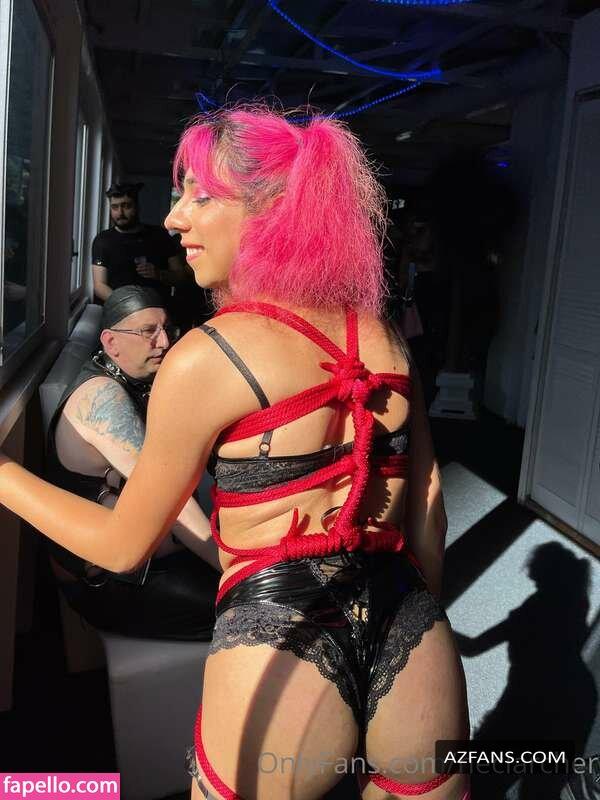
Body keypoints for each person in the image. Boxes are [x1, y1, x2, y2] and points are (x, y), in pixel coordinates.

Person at [0, 107, 470, 799]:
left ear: (273, 211)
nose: (174, 220)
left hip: (279, 647)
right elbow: (427, 505)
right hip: (412, 631)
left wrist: (5, 476)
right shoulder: (383, 336)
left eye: (200, 196)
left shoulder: (208, 356)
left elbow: (122, 548)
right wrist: (408, 615)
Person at [46, 285, 220, 640]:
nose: (164, 342)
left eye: (166, 329)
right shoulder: (102, 397)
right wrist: (231, 569)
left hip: (154, 564)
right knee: (263, 613)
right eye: (148, 331)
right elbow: (170, 502)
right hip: (113, 585)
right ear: (111, 342)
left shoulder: (133, 380)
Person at [92, 181, 188, 303]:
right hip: (119, 309)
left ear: (137, 206)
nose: (120, 213)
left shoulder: (160, 236)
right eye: (115, 207)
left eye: (126, 206)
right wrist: (129, 307)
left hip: (158, 308)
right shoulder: (103, 240)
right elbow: (99, 286)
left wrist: (159, 274)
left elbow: (181, 277)